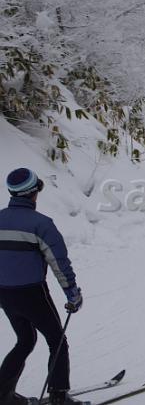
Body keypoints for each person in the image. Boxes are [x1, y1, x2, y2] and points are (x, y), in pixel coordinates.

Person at [0, 168, 84, 405]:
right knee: (57, 341)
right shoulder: (41, 224)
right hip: (32, 293)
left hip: (4, 293)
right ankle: (59, 396)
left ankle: (2, 395)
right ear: (34, 192)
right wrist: (72, 294)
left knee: (25, 339)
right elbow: (59, 263)